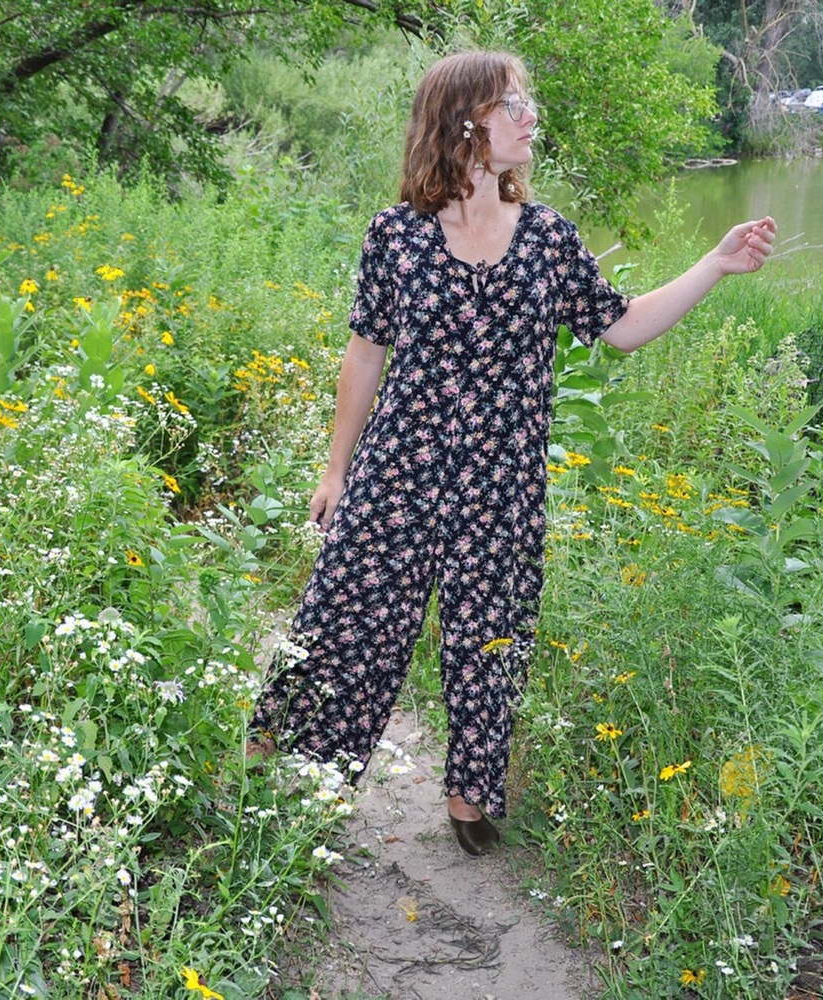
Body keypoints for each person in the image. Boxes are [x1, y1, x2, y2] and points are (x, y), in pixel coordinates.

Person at [250, 50, 776, 857]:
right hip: (399, 467)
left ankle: (468, 799)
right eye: (514, 104)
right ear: (466, 123)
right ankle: (277, 771)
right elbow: (365, 352)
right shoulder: (396, 234)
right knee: (346, 614)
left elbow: (623, 326)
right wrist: (335, 469)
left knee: (490, 632)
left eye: (527, 103)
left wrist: (715, 263)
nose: (530, 117)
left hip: (504, 480)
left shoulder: (549, 239)